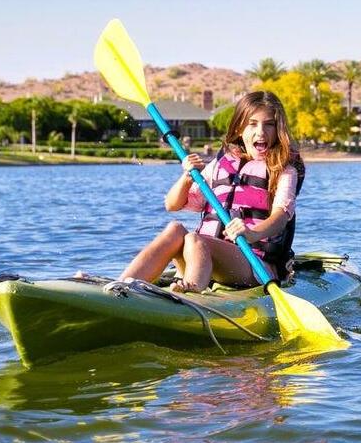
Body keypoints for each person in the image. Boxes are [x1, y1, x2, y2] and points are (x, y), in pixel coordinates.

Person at [118, 90, 304, 293]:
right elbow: (172, 205)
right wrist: (187, 178)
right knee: (175, 230)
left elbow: (280, 218)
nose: (260, 131)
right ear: (240, 128)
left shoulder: (284, 170)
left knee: (195, 239)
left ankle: (191, 293)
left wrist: (251, 233)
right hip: (205, 256)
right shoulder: (221, 164)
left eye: (269, 124)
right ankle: (120, 286)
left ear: (279, 130)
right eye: (252, 124)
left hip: (255, 264)